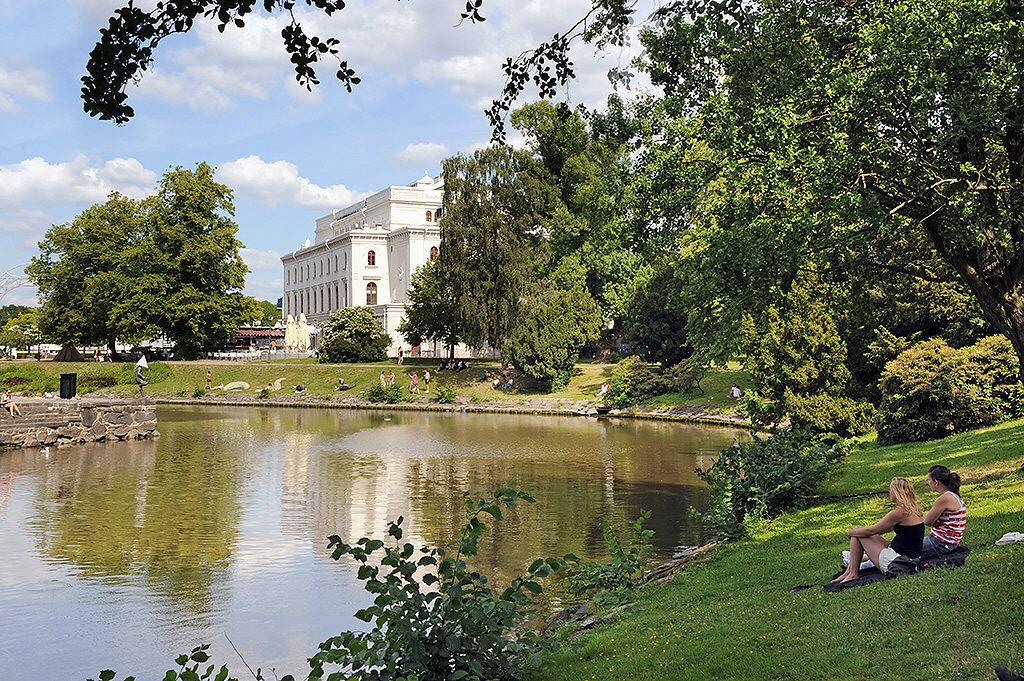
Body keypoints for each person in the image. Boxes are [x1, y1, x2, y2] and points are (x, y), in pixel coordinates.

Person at [831, 477, 924, 583]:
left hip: (899, 563)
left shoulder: (900, 512)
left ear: (896, 492)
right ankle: (850, 572)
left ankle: (852, 573)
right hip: (908, 558)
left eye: (890, 490)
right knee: (860, 532)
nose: (889, 493)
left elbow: (871, 531)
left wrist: (851, 532)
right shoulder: (913, 510)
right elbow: (881, 530)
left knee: (858, 534)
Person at [923, 465, 967, 555]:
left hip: (940, 544)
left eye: (929, 480)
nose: (928, 482)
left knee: (905, 546)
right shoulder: (953, 495)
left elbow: (927, 521)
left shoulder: (945, 498)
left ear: (936, 482)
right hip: (950, 543)